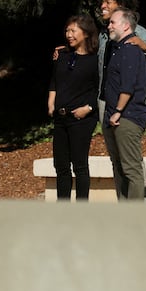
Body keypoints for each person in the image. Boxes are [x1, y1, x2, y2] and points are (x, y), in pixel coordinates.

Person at [47, 14, 100, 201]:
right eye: (67, 31)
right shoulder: (61, 55)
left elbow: (100, 89)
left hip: (81, 120)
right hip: (60, 118)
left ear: (86, 33)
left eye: (73, 31)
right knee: (61, 166)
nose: (69, 35)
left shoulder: (95, 60)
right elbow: (55, 81)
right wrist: (51, 102)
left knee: (80, 165)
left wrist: (89, 108)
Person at [102, 7, 146, 201]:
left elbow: (128, 86)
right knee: (119, 166)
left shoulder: (130, 50)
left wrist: (118, 111)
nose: (109, 26)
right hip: (113, 116)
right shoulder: (117, 49)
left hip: (127, 116)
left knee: (131, 169)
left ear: (126, 26)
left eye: (113, 22)